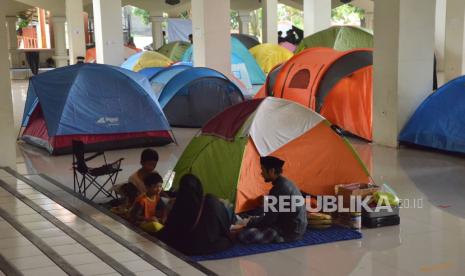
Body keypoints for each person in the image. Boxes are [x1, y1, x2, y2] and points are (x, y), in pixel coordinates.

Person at [237, 156, 307, 244]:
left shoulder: (280, 188)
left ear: (271, 171)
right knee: (259, 211)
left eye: (263, 170)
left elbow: (269, 219)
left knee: (243, 235)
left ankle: (277, 237)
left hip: (288, 233)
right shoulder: (286, 182)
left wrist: (248, 224)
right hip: (294, 227)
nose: (261, 173)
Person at [158, 174, 233, 255]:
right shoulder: (210, 201)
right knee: (226, 241)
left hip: (184, 247)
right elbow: (225, 224)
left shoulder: (180, 202)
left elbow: (170, 230)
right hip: (207, 246)